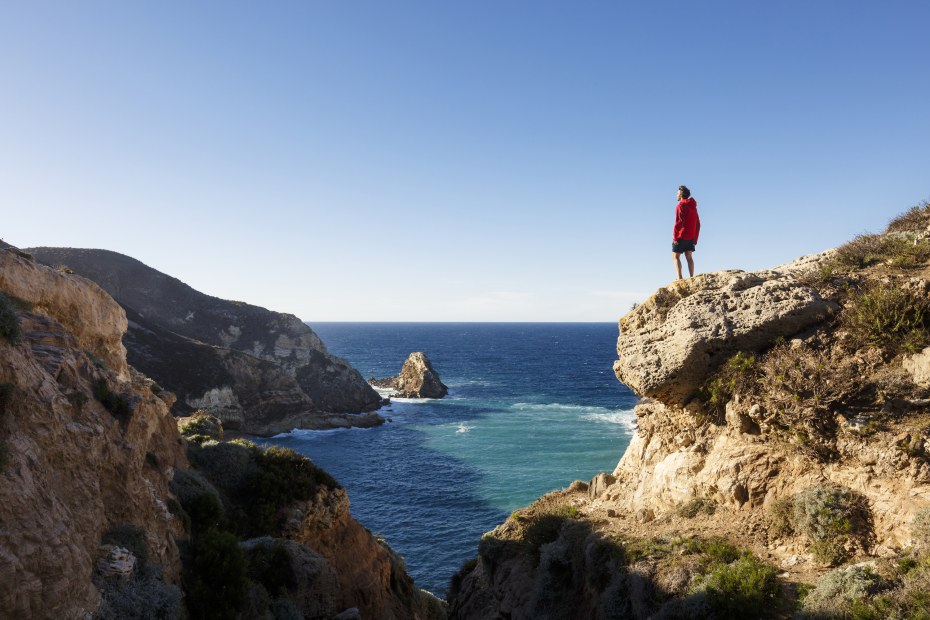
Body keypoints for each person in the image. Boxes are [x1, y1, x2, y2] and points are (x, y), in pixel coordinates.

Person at [672, 185, 700, 280]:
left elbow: (678, 223)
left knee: (675, 256)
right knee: (689, 257)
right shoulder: (693, 206)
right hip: (691, 237)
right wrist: (695, 238)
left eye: (677, 193)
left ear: (680, 194)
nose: (676, 194)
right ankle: (692, 277)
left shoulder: (680, 205)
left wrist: (675, 237)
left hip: (681, 235)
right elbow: (698, 223)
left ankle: (679, 278)